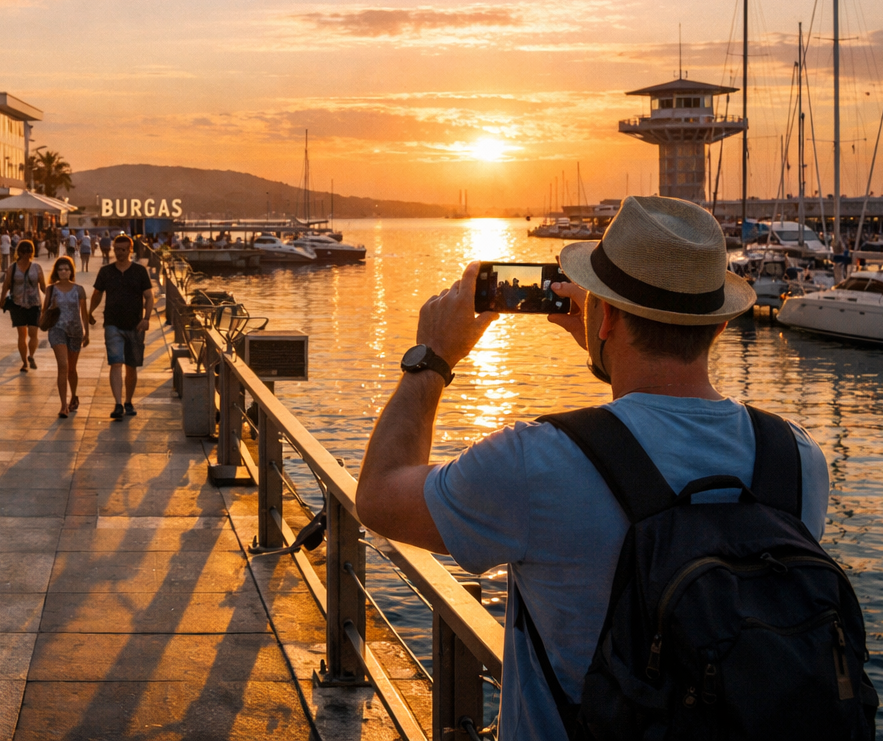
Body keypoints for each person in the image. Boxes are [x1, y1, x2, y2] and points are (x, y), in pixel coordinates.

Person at [355, 196, 829, 740]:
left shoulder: (537, 463)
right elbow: (663, 422)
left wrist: (431, 358)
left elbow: (379, 496)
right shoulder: (797, 460)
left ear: (603, 316)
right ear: (717, 327)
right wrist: (608, 343)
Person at [89, 233, 154, 421]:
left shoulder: (139, 272)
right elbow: (97, 293)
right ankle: (118, 404)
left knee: (131, 366)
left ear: (130, 250)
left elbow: (149, 297)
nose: (119, 253)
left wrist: (147, 318)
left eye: (123, 250)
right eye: (117, 250)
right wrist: (90, 312)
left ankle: (128, 401)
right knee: (115, 362)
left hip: (135, 325)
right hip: (112, 324)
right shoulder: (106, 271)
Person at [41, 256, 91, 418]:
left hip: (75, 330)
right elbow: (44, 312)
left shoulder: (79, 290)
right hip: (57, 330)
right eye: (60, 269)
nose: (63, 272)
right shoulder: (51, 289)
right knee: (63, 365)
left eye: (66, 269)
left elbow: (84, 313)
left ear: (71, 271)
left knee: (71, 369)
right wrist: (51, 308)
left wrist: (87, 333)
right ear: (56, 271)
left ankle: (73, 396)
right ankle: (63, 405)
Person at [2, 239, 45, 373]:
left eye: (30, 251)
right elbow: (7, 284)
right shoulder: (13, 268)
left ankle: (31, 356)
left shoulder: (37, 268)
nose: (27, 253)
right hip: (17, 304)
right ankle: (24, 363)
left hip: (34, 304)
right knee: (22, 334)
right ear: (19, 252)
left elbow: (43, 286)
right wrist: (2, 298)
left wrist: (51, 299)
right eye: (25, 251)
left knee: (33, 333)